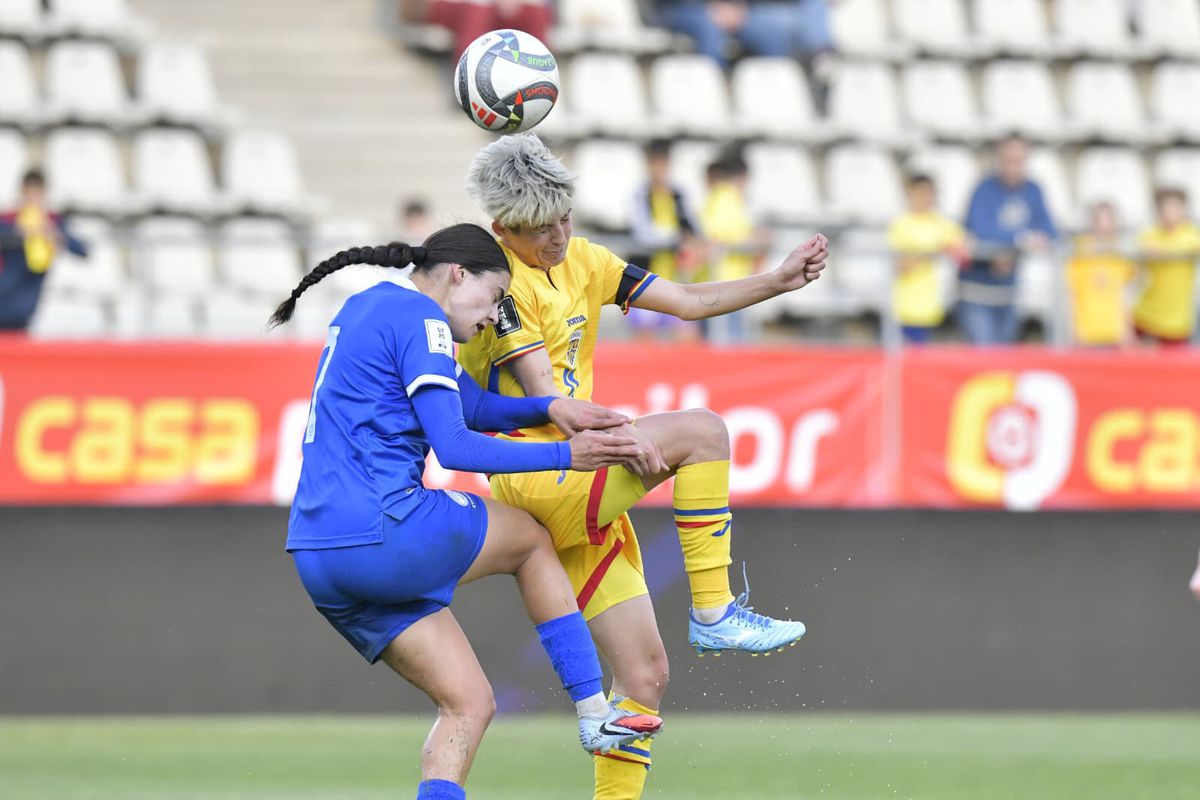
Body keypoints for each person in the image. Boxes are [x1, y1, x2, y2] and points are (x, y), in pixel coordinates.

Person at [458, 134, 824, 800]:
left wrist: (775, 280)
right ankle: (713, 613)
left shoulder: (589, 261)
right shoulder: (502, 290)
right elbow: (549, 394)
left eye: (565, 217)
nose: (560, 235)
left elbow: (686, 301)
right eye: (543, 227)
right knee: (704, 432)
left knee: (644, 677)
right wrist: (623, 434)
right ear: (504, 228)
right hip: (542, 471)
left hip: (581, 484)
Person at [267, 223, 663, 800]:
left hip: (318, 557)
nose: (492, 318)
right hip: (384, 528)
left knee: (468, 705)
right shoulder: (425, 319)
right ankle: (593, 709)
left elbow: (473, 405)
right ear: (457, 274)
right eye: (494, 297)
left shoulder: (368, 307)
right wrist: (565, 454)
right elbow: (454, 445)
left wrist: (550, 406)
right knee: (528, 539)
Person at [960, 135, 1057, 345]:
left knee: (1004, 364)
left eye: (1019, 161)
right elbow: (979, 230)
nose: (1013, 167)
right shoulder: (983, 189)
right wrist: (1018, 242)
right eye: (1008, 160)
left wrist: (1009, 246)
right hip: (978, 293)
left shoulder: (1033, 190)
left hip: (1010, 293)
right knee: (985, 362)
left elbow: (1049, 230)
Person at [627, 139, 704, 343]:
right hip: (647, 276)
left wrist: (689, 239)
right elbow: (643, 233)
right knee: (644, 335)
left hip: (677, 275)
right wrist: (676, 238)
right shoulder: (640, 194)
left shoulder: (678, 194)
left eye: (663, 164)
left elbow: (694, 227)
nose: (659, 170)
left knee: (686, 334)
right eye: (655, 164)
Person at [0, 169, 88, 331]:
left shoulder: (51, 222)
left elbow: (83, 250)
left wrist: (56, 236)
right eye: (30, 192)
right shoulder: (8, 218)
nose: (33, 197)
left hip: (28, 301)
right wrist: (20, 233)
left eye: (38, 192)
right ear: (22, 191)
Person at [886, 174, 968, 345]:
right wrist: (932, 251)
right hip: (908, 308)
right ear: (910, 195)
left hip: (936, 307)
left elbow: (963, 252)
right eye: (920, 193)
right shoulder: (901, 225)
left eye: (929, 193)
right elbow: (902, 265)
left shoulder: (941, 223)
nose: (925, 198)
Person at [701, 152, 770, 345]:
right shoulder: (725, 198)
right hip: (725, 284)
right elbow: (717, 237)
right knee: (728, 347)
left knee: (733, 345)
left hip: (733, 283)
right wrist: (755, 240)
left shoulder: (727, 199)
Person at [654, 0, 835, 69]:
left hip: (742, 13)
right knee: (709, 26)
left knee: (775, 27)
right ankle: (715, 90)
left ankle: (771, 93)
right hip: (683, 10)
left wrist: (737, 8)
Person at [1133, 188, 1200, 347]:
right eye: (1166, 208)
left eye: (1176, 208)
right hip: (1147, 317)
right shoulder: (1149, 235)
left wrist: (1163, 251)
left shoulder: (1192, 235)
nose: (1170, 214)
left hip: (1177, 322)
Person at [1065, 202, 1136, 348]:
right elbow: (1071, 294)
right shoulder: (1079, 252)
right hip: (1085, 334)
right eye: (1099, 220)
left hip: (1115, 333)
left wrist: (1128, 329)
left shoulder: (1121, 254)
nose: (1104, 226)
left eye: (1108, 220)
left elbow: (1127, 294)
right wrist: (1071, 330)